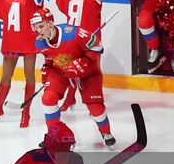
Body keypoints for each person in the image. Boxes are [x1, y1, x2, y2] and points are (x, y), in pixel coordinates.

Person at [34, 14, 114, 147]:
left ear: (51, 24)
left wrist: (81, 63)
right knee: (48, 98)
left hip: (88, 72)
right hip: (61, 71)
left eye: (41, 26)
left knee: (96, 109)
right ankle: (54, 136)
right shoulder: (39, 41)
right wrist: (47, 68)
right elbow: (49, 56)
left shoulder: (73, 33)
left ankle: (106, 132)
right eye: (36, 27)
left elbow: (98, 47)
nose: (39, 31)